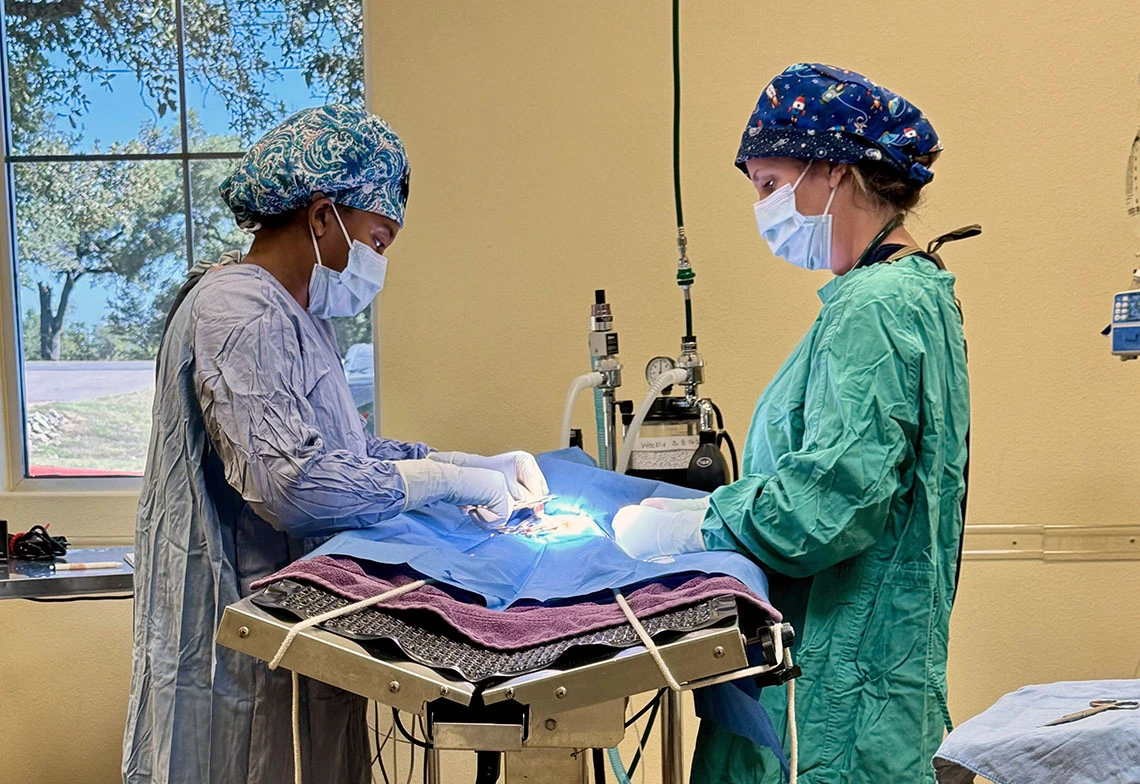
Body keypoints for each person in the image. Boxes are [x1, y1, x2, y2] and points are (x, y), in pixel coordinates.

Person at [122, 105, 548, 784]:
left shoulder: (296, 319)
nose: (380, 261)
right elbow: (293, 485)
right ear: (321, 217)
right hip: (234, 653)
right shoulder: (237, 309)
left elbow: (341, 454)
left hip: (292, 635)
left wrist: (460, 465)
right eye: (378, 239)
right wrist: (444, 484)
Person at [613, 64, 972, 783]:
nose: (764, 209)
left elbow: (831, 504)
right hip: (866, 686)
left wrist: (694, 525)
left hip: (827, 705)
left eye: (771, 186)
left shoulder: (874, 307)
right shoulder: (916, 293)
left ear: (834, 171)